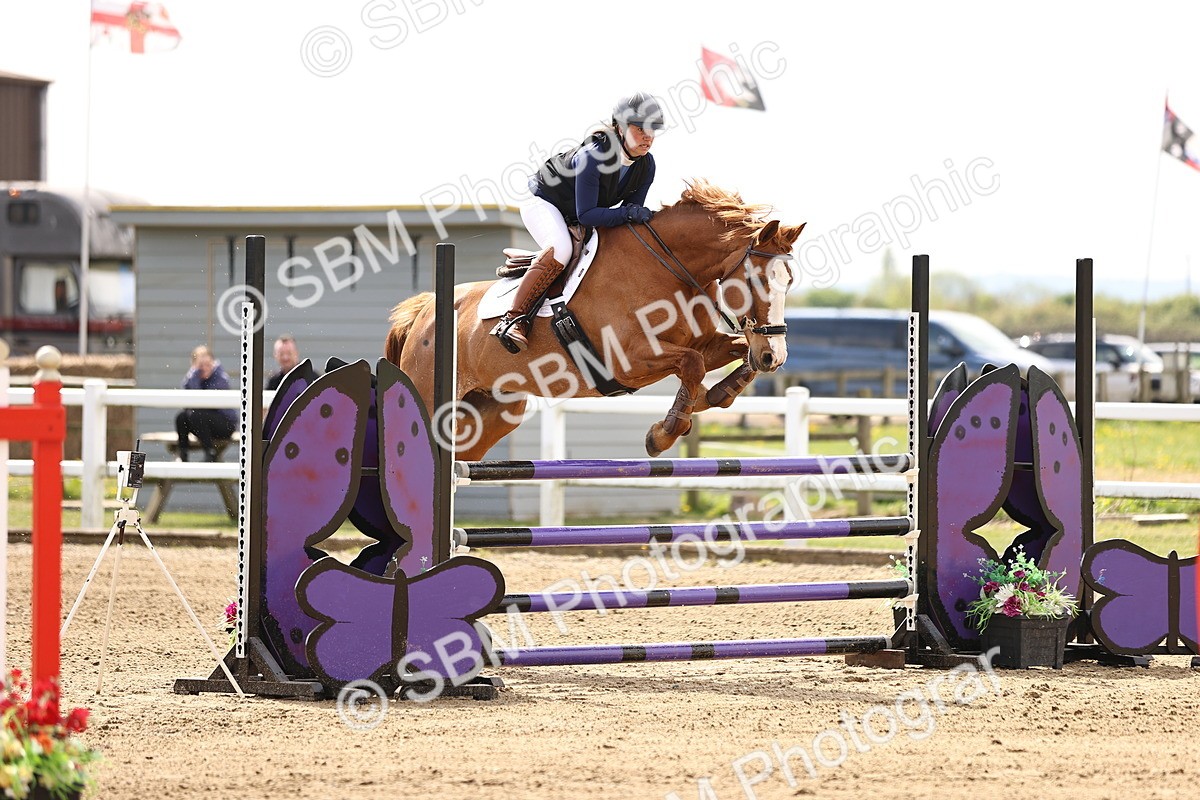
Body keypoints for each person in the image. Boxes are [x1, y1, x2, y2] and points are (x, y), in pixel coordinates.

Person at [491, 92, 666, 353]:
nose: (647, 137)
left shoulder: (646, 165)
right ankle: (513, 319)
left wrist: (633, 215)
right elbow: (589, 214)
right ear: (619, 126)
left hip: (578, 212)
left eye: (653, 130)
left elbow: (631, 211)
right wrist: (629, 214)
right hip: (544, 203)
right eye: (639, 129)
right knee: (561, 249)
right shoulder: (593, 156)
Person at [175, 345, 238, 462]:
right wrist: (194, 377)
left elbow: (204, 403)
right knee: (181, 417)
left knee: (196, 415)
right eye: (200, 365)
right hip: (202, 423)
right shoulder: (193, 378)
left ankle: (210, 453)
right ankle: (183, 453)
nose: (205, 368)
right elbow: (186, 402)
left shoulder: (220, 378)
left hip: (224, 424)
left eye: (208, 364)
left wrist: (195, 381)